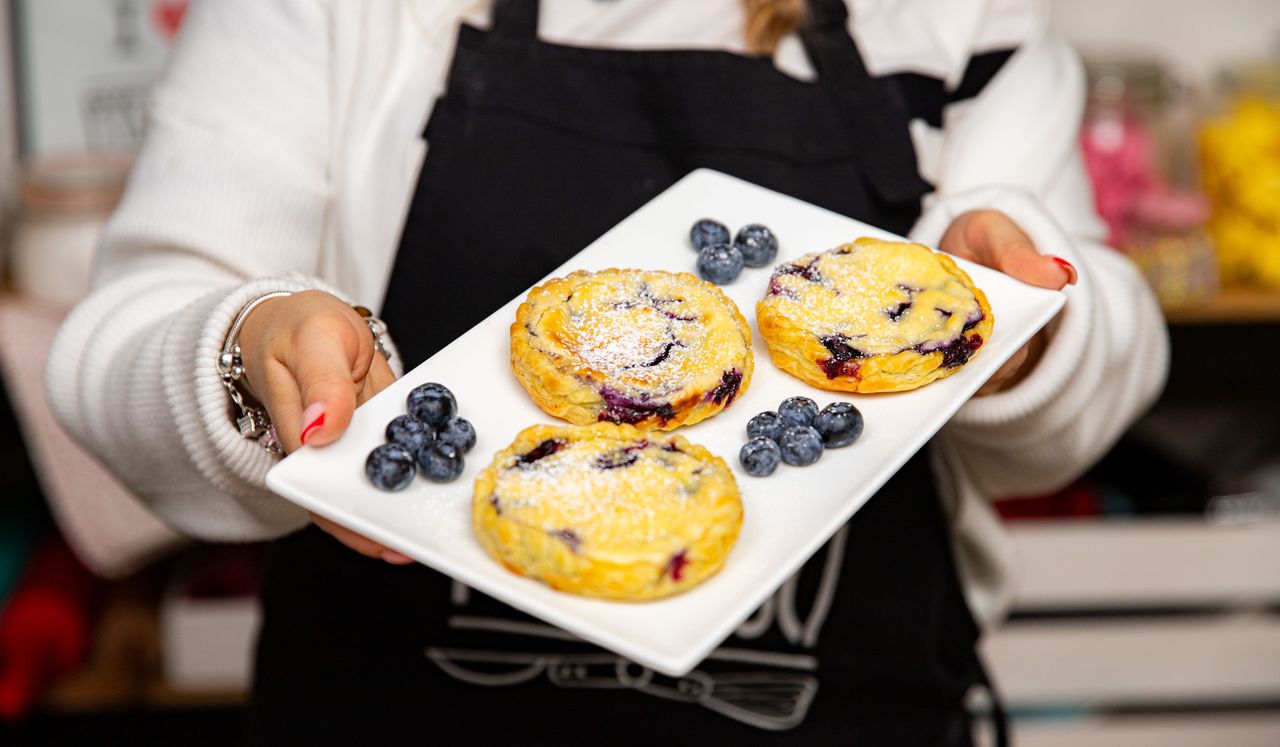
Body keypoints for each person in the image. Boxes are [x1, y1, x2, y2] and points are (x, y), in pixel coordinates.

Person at [47, 0, 1167, 742]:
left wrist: (1016, 325)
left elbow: (1091, 384)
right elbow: (109, 350)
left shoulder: (951, 18)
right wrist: (249, 348)